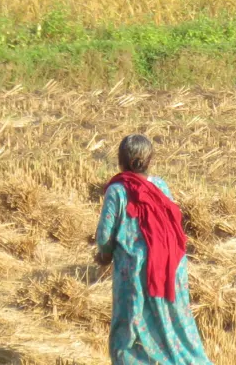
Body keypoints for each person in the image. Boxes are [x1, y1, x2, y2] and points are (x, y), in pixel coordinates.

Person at [95, 135, 212, 365]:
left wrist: (104, 255)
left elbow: (104, 236)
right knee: (174, 322)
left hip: (136, 270)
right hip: (171, 267)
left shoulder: (117, 191)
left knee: (129, 328)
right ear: (150, 161)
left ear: (120, 161)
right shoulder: (160, 186)